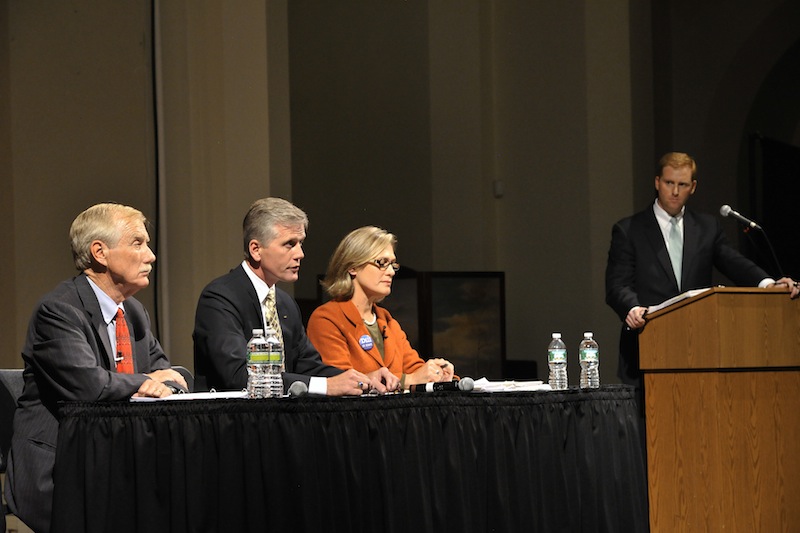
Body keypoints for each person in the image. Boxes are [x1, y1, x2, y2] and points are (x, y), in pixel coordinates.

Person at [4, 203, 188, 533]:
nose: (151, 256)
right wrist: (147, 381)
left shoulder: (133, 313)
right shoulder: (58, 311)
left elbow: (172, 375)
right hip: (63, 469)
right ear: (100, 253)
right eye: (137, 243)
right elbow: (90, 386)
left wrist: (165, 381)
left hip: (118, 461)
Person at [605, 152, 799, 385]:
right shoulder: (629, 230)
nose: (675, 192)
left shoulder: (707, 228)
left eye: (682, 184)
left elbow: (734, 263)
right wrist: (633, 308)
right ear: (657, 182)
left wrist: (769, 283)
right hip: (647, 346)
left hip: (698, 350)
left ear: (693, 187)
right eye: (669, 183)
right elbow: (617, 284)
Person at [193, 197, 379, 396]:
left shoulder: (285, 303)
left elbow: (309, 366)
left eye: (300, 243)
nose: (300, 254)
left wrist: (362, 380)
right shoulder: (220, 298)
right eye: (289, 244)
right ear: (256, 250)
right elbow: (238, 376)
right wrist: (326, 386)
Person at [307, 226, 455, 390]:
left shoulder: (386, 319)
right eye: (382, 263)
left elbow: (414, 368)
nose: (391, 272)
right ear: (353, 267)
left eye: (393, 264)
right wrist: (408, 380)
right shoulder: (327, 318)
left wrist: (438, 375)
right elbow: (341, 381)